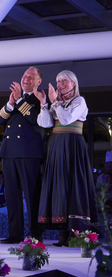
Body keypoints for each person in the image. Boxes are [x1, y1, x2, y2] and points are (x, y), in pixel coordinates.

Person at [36, 70, 96, 246]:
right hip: (56, 145)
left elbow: (67, 118)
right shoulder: (58, 103)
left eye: (64, 81)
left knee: (74, 185)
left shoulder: (79, 101)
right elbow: (45, 123)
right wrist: (44, 104)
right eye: (58, 81)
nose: (60, 84)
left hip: (72, 145)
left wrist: (55, 103)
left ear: (74, 83)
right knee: (59, 185)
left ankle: (76, 233)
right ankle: (63, 231)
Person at [0, 67, 45, 244]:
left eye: (31, 77)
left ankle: (35, 234)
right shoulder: (16, 99)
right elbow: (0, 120)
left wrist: (17, 100)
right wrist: (10, 103)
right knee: (12, 195)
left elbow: (34, 118)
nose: (26, 79)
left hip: (28, 151)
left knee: (32, 195)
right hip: (9, 150)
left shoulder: (39, 98)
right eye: (25, 76)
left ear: (38, 82)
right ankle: (15, 233)